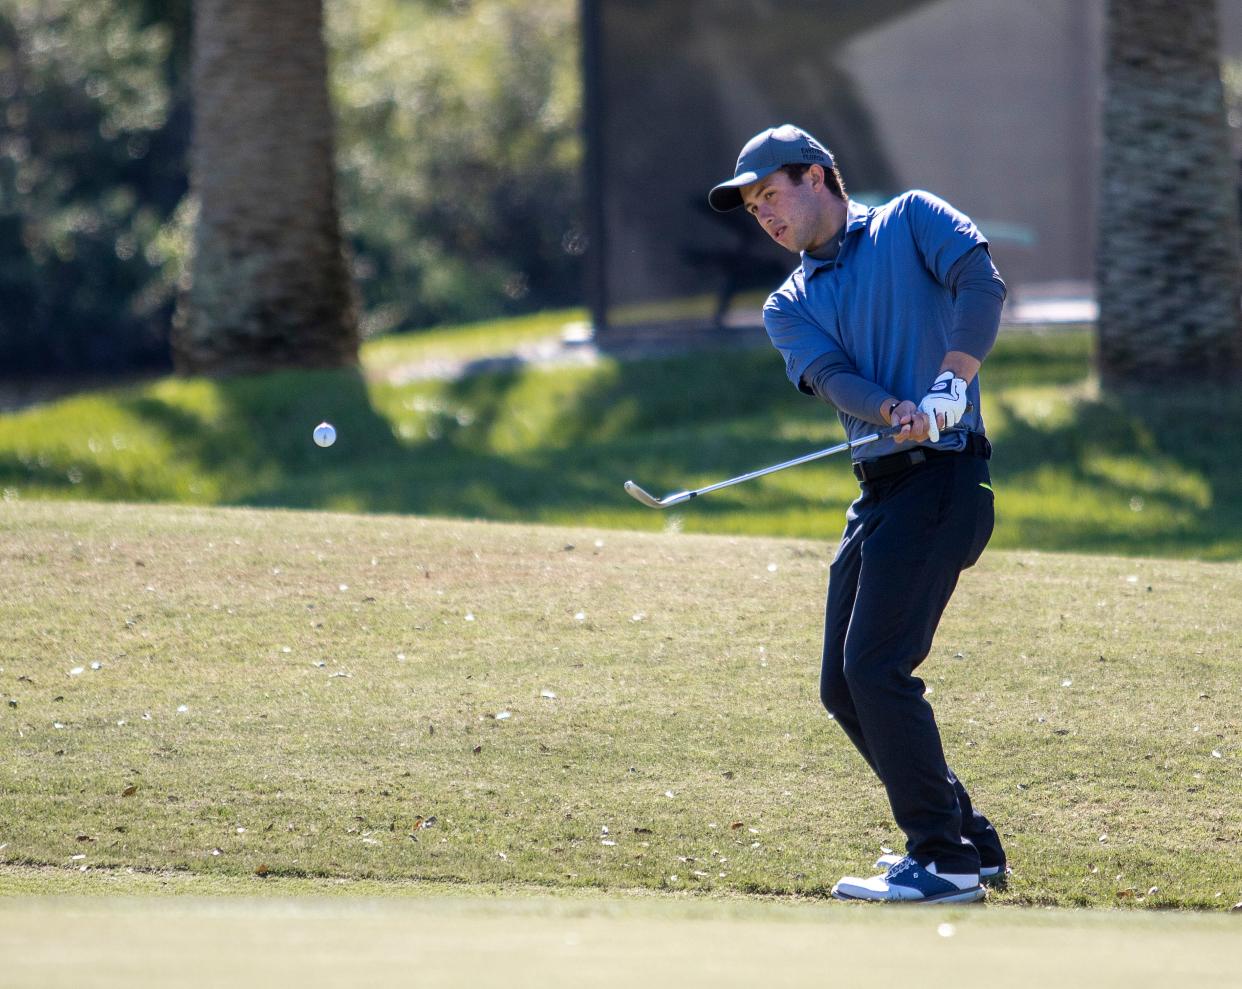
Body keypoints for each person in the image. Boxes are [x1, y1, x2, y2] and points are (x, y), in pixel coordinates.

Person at [708, 124, 1008, 904]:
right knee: (844, 686)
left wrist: (950, 384)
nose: (764, 216)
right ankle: (970, 840)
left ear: (818, 177)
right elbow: (833, 375)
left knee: (875, 666)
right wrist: (890, 406)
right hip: (879, 491)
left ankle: (940, 859)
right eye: (752, 208)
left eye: (771, 195)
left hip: (945, 480)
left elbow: (982, 284)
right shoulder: (788, 303)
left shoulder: (911, 218)